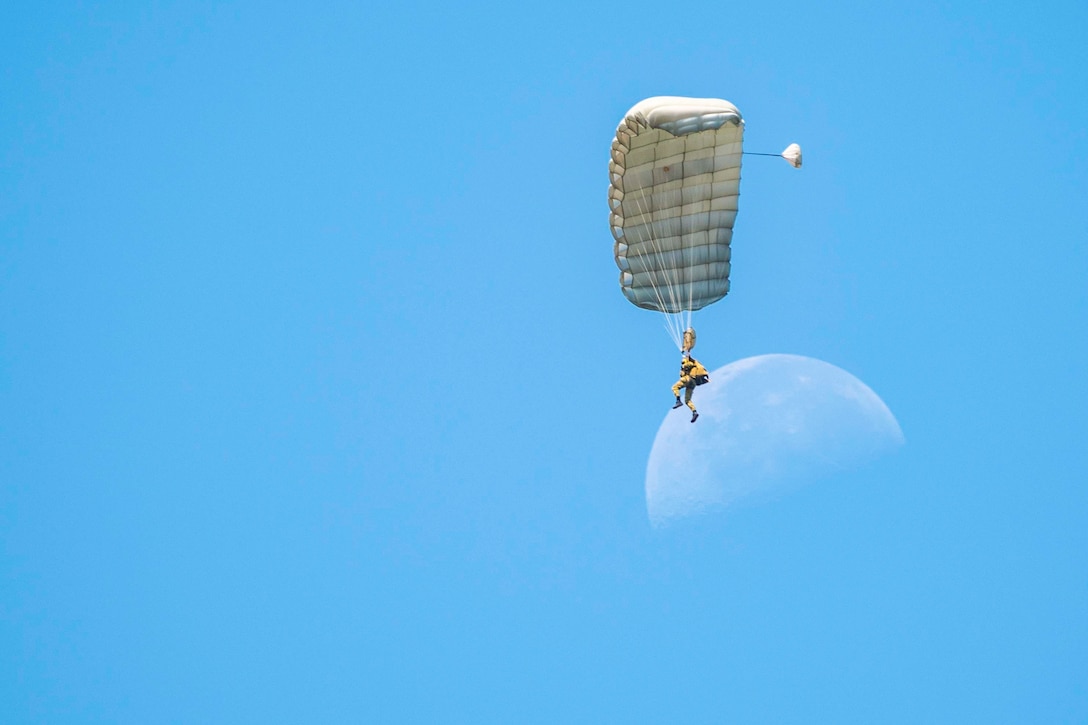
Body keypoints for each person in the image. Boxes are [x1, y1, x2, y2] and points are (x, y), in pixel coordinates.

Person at [671, 353, 710, 423]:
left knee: (674, 387)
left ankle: (678, 401)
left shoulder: (690, 363)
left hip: (688, 379)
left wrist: (685, 362)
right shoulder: (693, 365)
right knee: (687, 400)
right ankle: (694, 412)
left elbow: (688, 365)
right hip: (693, 384)